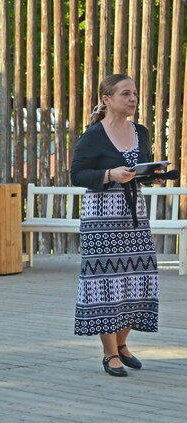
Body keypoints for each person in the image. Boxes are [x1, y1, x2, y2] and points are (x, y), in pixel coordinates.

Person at [71, 74, 160, 377]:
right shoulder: (94, 135)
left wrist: (153, 173)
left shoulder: (142, 132)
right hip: (102, 218)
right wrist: (109, 174)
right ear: (107, 99)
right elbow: (78, 175)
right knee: (105, 284)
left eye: (135, 93)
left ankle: (123, 343)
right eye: (126, 93)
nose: (133, 98)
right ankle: (110, 353)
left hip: (135, 215)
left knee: (136, 279)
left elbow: (142, 167)